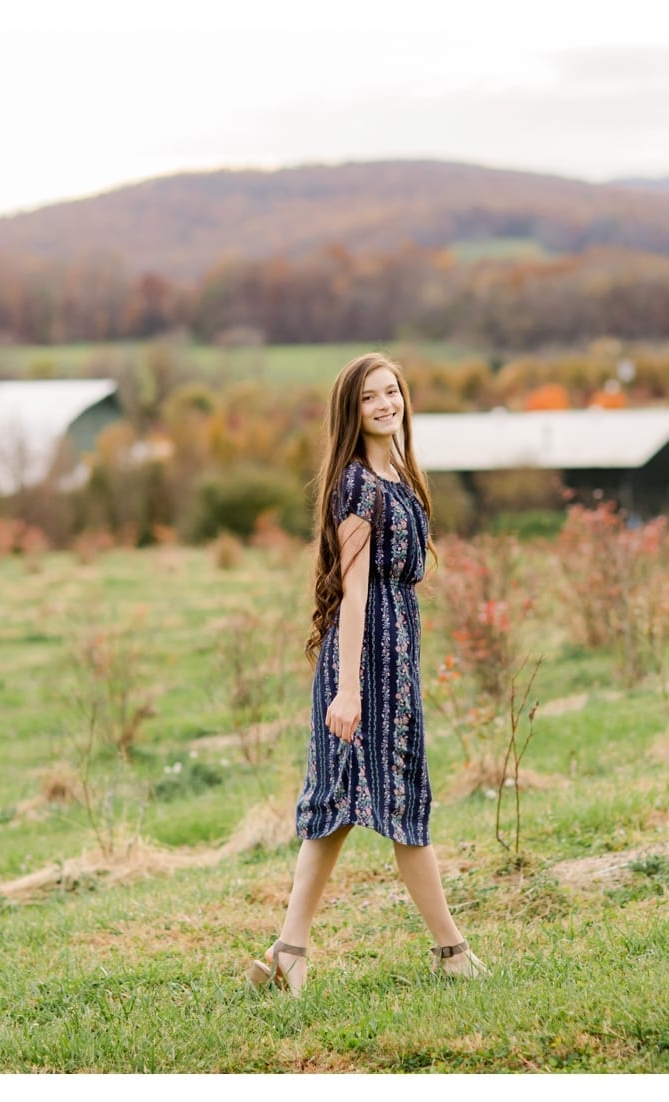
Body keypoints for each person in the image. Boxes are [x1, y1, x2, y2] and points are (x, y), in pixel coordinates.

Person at [248, 352, 488, 995]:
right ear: (351, 412)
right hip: (365, 662)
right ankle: (452, 952)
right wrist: (349, 688)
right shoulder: (357, 485)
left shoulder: (400, 475)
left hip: (393, 654)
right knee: (389, 804)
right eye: (370, 398)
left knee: (338, 809)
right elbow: (355, 593)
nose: (385, 405)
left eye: (393, 392)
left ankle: (287, 953)